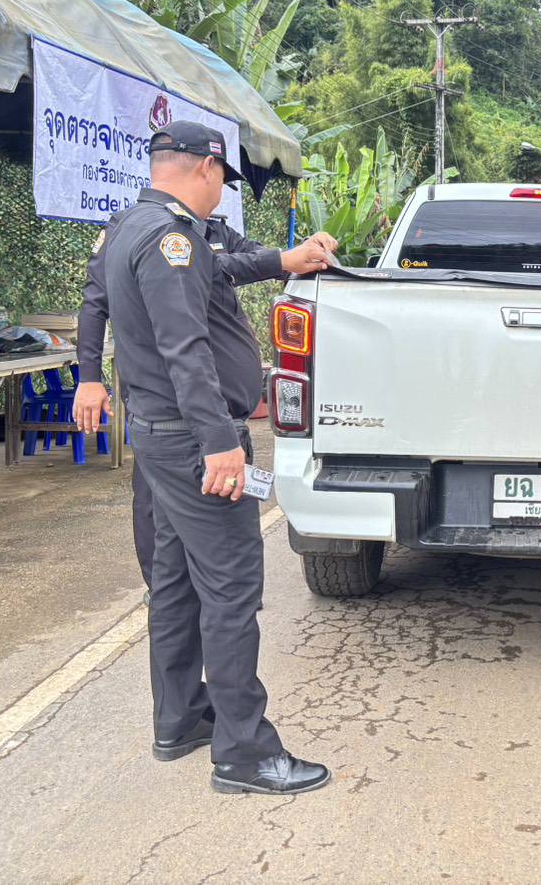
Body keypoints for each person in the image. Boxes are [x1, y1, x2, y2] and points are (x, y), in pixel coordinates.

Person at [95, 119, 330, 794]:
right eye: (222, 179)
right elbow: (185, 349)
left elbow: (210, 284)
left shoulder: (131, 227)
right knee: (230, 588)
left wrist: (283, 260)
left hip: (162, 437)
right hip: (194, 439)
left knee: (174, 582)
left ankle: (180, 719)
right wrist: (221, 444)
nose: (221, 192)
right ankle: (245, 754)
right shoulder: (171, 239)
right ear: (204, 167)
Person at [74, 199, 337, 598]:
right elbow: (97, 303)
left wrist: (301, 254)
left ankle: (193, 599)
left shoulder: (215, 230)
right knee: (156, 514)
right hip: (168, 413)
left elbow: (256, 257)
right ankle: (163, 592)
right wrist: (89, 378)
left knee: (213, 531)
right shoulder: (145, 232)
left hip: (219, 411)